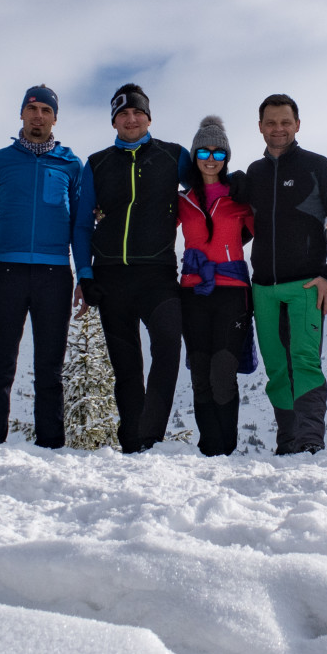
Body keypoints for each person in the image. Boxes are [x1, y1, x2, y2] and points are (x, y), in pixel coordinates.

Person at [237, 93, 327, 454]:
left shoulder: (317, 167)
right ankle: (287, 444)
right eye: (271, 122)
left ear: (297, 125)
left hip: (306, 285)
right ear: (260, 127)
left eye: (285, 122)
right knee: (276, 368)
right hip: (263, 288)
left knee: (305, 362)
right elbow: (244, 227)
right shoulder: (254, 173)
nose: (278, 129)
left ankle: (309, 442)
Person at [0, 85, 93, 448]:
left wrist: (84, 275)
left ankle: (51, 447)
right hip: (6, 273)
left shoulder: (71, 164)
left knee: (50, 369)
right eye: (32, 109)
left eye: (46, 110)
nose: (38, 116)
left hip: (54, 276)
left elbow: (79, 226)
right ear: (22, 114)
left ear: (55, 118)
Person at [84, 84, 187, 452]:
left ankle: (150, 437)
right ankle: (131, 444)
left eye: (137, 112)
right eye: (123, 114)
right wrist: (85, 273)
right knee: (126, 367)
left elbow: (209, 189)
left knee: (168, 348)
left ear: (148, 118)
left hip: (158, 275)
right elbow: (81, 223)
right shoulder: (97, 163)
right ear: (114, 121)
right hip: (110, 277)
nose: (131, 119)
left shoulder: (174, 156)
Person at [176, 114, 254, 456]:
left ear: (227, 157)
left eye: (218, 152)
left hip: (233, 292)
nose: (211, 158)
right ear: (194, 156)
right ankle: (209, 449)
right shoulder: (183, 200)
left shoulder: (239, 198)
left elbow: (270, 228)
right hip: (192, 291)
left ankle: (226, 449)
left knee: (223, 370)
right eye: (204, 152)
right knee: (200, 371)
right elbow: (149, 225)